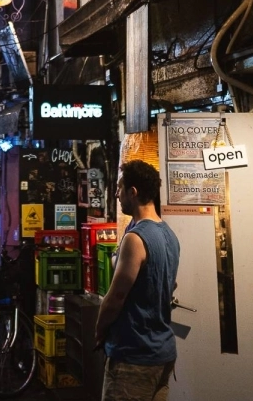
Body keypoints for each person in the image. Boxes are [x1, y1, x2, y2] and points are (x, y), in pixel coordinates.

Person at [93, 161, 180, 401]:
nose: (117, 195)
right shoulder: (168, 235)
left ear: (133, 192)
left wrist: (100, 331)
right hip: (163, 353)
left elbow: (115, 298)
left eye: (120, 188)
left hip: (134, 356)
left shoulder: (136, 239)